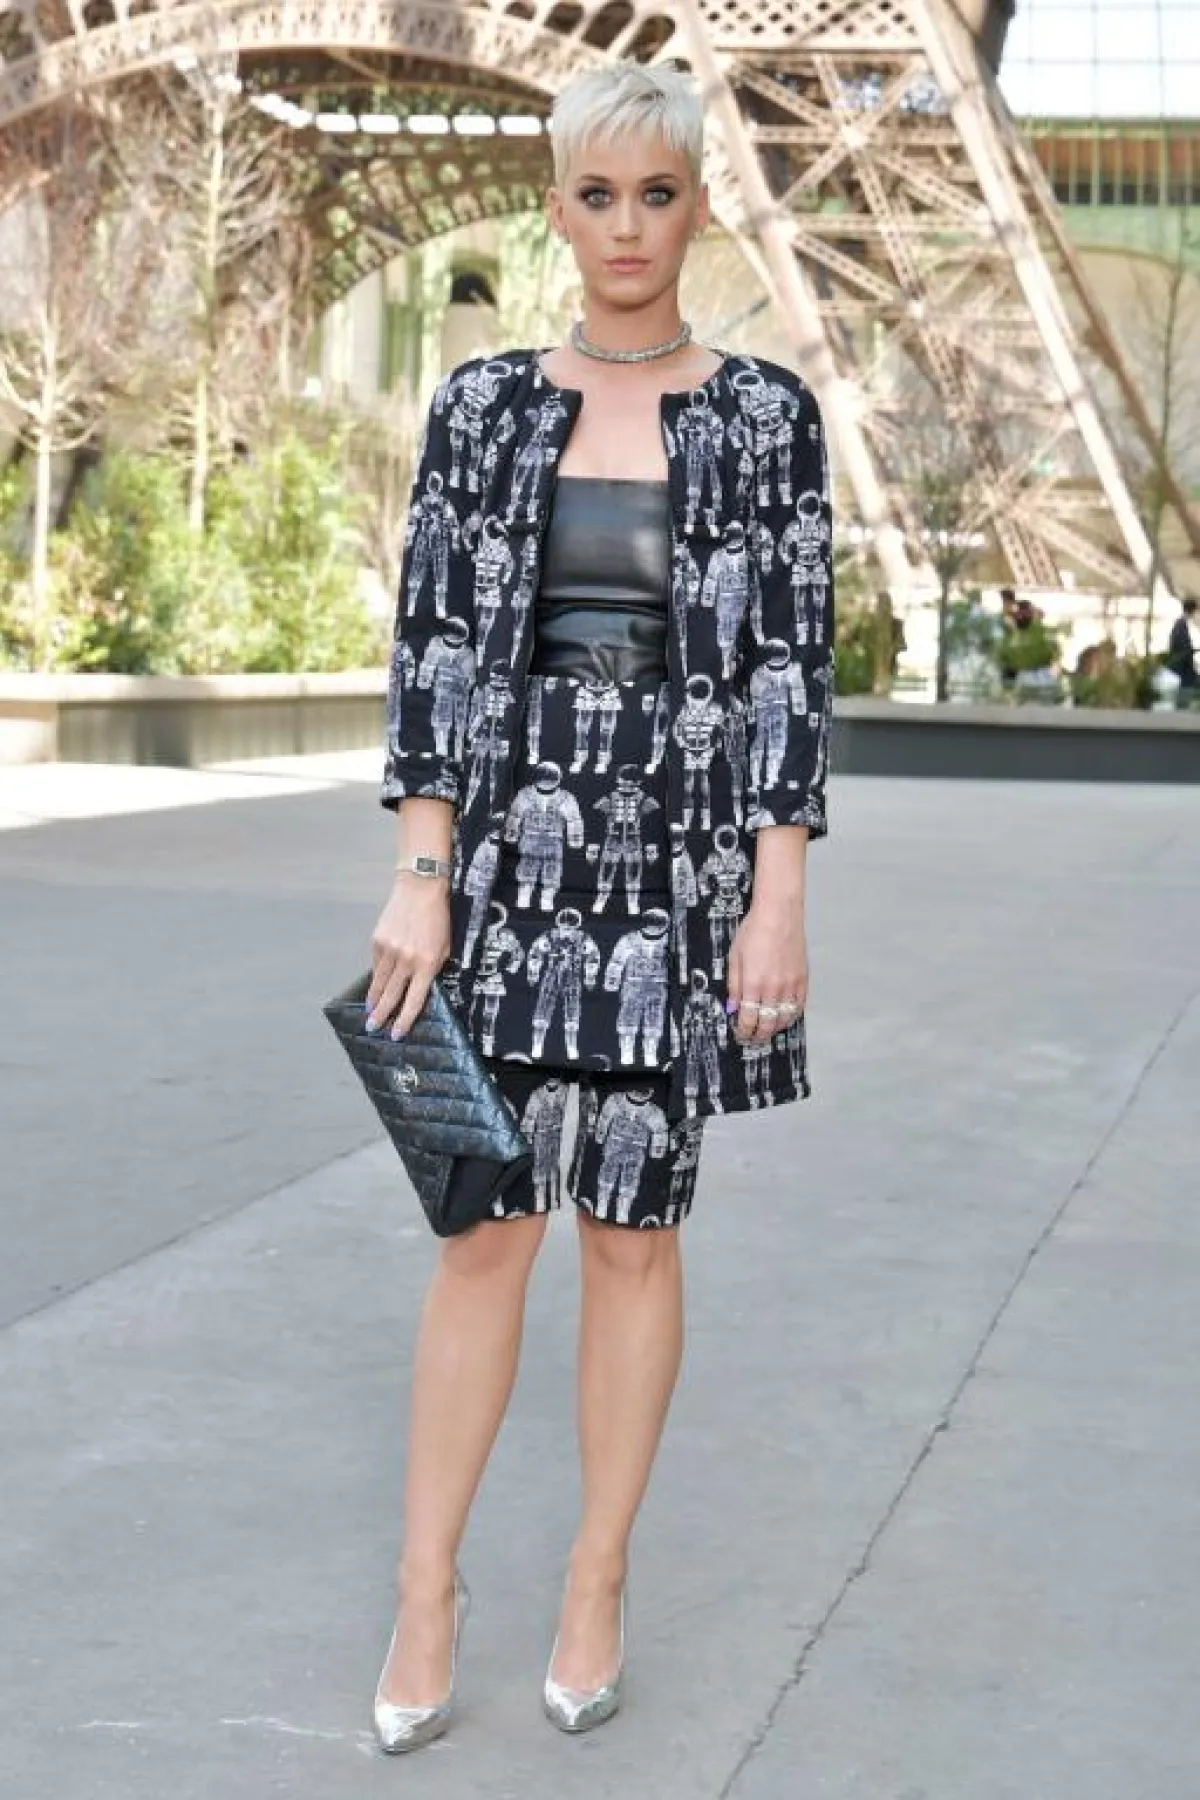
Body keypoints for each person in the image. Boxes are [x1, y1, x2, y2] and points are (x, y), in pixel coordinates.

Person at [363, 59, 834, 1754]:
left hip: (677, 869)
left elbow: (785, 668)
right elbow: (433, 646)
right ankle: (427, 1591)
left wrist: (777, 899)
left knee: (634, 1230)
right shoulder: (484, 406)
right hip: (503, 864)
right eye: (595, 193)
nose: (626, 226)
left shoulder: (767, 415)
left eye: (658, 193)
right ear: (556, 206)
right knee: (481, 1229)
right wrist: (421, 876)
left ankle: (596, 1576)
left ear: (700, 205)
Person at [1167, 597, 1200, 706]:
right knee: (1189, 683)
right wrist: (1192, 650)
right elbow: (1182, 645)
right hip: (1182, 664)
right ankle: (1182, 705)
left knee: (1190, 683)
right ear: (1193, 611)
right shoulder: (1181, 624)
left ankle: (1182, 704)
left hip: (1182, 663)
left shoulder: (1180, 623)